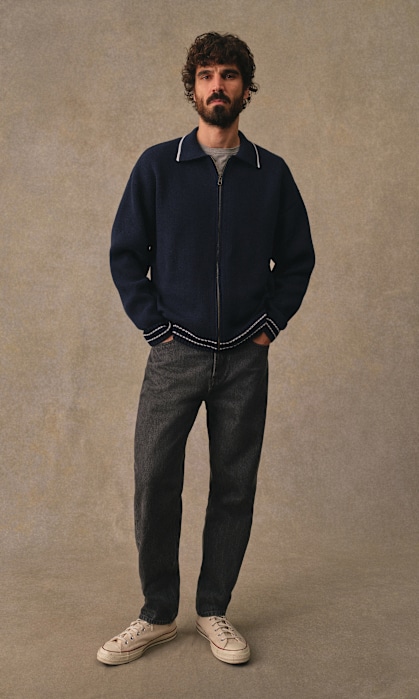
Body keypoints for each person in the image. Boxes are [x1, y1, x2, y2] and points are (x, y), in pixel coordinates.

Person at [97, 31, 315, 666]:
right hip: (175, 354)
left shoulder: (271, 174)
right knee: (154, 480)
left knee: (234, 486)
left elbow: (297, 259)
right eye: (206, 75)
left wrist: (269, 325)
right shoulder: (157, 166)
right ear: (192, 88)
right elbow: (125, 255)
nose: (218, 85)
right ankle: (157, 614)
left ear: (246, 87)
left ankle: (214, 608)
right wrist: (155, 328)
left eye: (229, 75)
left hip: (245, 357)